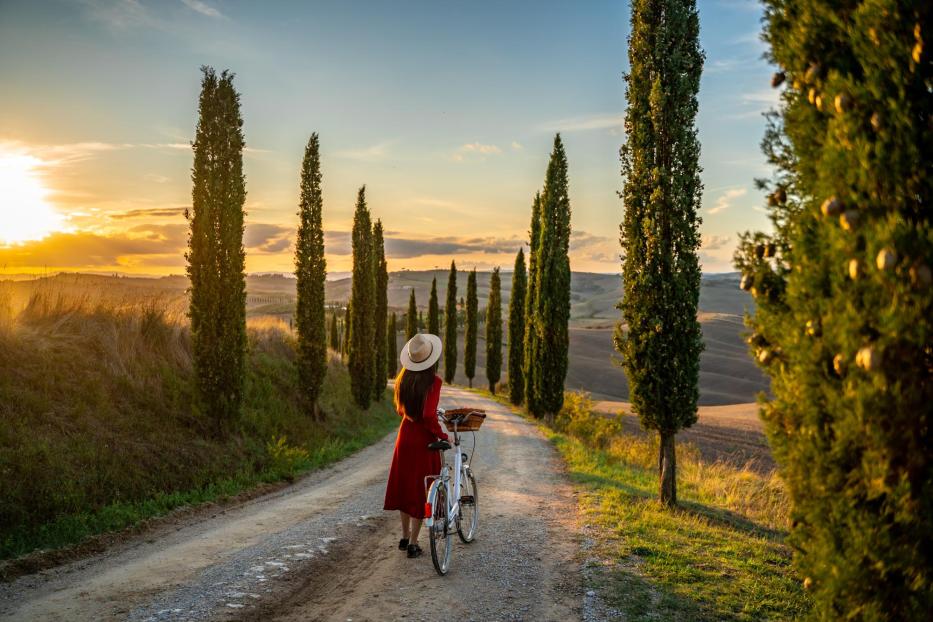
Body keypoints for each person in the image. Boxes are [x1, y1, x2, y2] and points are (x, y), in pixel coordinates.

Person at [383, 332, 449, 558]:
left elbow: (401, 410)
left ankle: (403, 536)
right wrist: (442, 435)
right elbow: (429, 416)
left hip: (405, 435)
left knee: (405, 487)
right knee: (422, 489)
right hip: (423, 441)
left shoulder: (403, 378)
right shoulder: (434, 382)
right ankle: (413, 542)